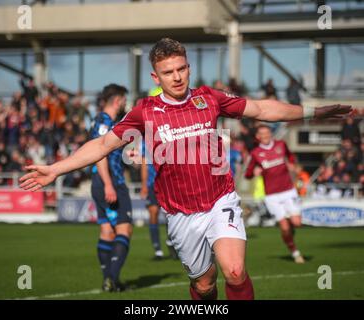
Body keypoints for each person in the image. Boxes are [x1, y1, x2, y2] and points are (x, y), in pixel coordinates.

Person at [19, 38, 352, 300]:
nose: (177, 77)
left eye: (182, 68)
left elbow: (263, 108)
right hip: (180, 214)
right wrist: (57, 169)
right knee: (205, 285)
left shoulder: (209, 98)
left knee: (235, 271)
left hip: (220, 199)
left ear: (188, 67)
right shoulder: (144, 112)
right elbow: (104, 145)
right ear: (156, 76)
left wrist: (314, 112)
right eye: (168, 72)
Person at [89, 84, 133, 292]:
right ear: (117, 100)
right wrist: (109, 184)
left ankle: (109, 278)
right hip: (110, 182)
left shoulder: (106, 122)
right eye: (124, 99)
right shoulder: (104, 121)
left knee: (107, 231)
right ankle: (112, 278)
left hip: (101, 181)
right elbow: (99, 155)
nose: (125, 103)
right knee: (124, 229)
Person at [244, 125, 305, 263]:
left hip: (288, 190)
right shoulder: (255, 153)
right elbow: (247, 174)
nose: (265, 136)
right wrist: (254, 172)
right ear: (258, 137)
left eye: (267, 133)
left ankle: (290, 227)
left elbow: (290, 157)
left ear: (270, 134)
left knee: (297, 222)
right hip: (272, 195)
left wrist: (292, 165)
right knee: (284, 227)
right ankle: (295, 253)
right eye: (262, 134)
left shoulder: (281, 145)